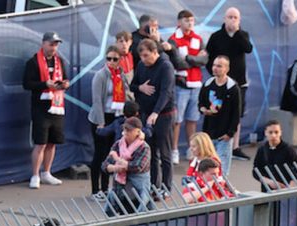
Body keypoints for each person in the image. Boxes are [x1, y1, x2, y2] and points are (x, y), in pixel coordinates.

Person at [22, 32, 70, 190]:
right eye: (51, 44)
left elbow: (66, 78)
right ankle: (35, 175)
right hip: (40, 107)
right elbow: (27, 84)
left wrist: (64, 84)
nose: (53, 47)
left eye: (56, 44)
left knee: (52, 142)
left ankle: (47, 172)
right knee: (40, 143)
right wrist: (45, 84)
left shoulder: (60, 61)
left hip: (56, 106)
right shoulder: (33, 62)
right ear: (43, 43)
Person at [205, 7, 254, 161]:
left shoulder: (243, 35)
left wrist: (237, 32)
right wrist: (214, 74)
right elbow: (209, 57)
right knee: (216, 110)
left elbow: (248, 49)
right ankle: (213, 147)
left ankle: (235, 146)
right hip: (219, 82)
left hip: (238, 83)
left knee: (236, 114)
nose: (232, 20)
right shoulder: (216, 36)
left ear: (239, 20)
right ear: (224, 18)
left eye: (235, 17)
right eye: (229, 17)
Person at [131, 39, 176, 193]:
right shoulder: (141, 65)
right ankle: (153, 186)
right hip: (146, 113)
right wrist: (140, 88)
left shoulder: (165, 66)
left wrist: (156, 112)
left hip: (164, 115)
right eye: (141, 56)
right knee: (151, 152)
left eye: (146, 55)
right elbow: (132, 85)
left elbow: (166, 92)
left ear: (155, 52)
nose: (144, 59)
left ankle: (166, 187)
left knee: (165, 153)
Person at [87, 46, 131, 197]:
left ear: (120, 60)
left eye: (115, 59)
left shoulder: (121, 75)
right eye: (108, 58)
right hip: (101, 117)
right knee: (99, 154)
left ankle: (105, 188)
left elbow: (127, 92)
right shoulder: (100, 75)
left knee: (111, 154)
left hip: (116, 117)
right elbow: (97, 100)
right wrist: (100, 122)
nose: (111, 62)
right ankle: (95, 189)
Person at [168, 9, 208, 165]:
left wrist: (190, 58)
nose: (190, 23)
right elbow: (178, 62)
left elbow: (204, 60)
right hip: (181, 86)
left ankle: (192, 150)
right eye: (186, 20)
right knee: (177, 121)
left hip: (196, 85)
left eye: (191, 20)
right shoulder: (173, 40)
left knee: (192, 119)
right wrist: (195, 60)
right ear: (179, 22)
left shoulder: (198, 39)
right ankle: (174, 150)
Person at [198, 55, 241, 175]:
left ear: (226, 69)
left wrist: (230, 133)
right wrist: (203, 110)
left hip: (224, 134)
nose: (215, 68)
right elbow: (201, 102)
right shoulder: (208, 84)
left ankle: (223, 189)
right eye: (214, 65)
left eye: (219, 66)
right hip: (209, 132)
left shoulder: (232, 88)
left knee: (222, 166)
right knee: (208, 165)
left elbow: (236, 113)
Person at [102, 117, 152, 214]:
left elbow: (138, 167)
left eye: (129, 130)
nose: (126, 132)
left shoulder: (144, 147)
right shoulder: (118, 144)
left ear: (138, 132)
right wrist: (114, 168)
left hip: (137, 193)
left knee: (138, 220)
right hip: (119, 191)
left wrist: (117, 160)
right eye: (125, 129)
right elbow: (105, 165)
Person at [251, 120, 297, 191]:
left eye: (276, 132)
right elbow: (256, 170)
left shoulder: (288, 149)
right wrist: (269, 182)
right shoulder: (262, 149)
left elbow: (296, 171)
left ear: (280, 133)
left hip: (284, 188)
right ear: (265, 133)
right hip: (267, 190)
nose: (273, 135)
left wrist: (290, 188)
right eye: (270, 132)